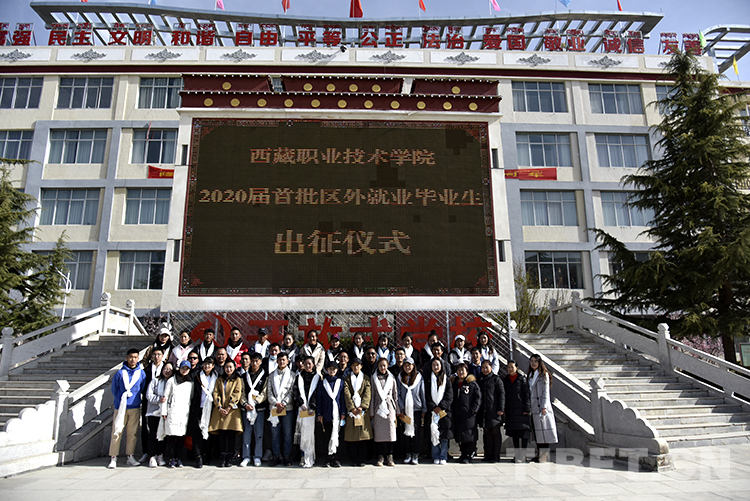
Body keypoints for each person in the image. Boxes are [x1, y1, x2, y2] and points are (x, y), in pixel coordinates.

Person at [108, 348, 147, 469]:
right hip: (120, 407)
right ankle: (113, 457)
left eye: (135, 357)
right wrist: (121, 400)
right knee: (117, 431)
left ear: (138, 358)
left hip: (134, 406)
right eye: (131, 357)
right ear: (126, 358)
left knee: (132, 433)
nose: (133, 359)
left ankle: (130, 456)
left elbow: (142, 388)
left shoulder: (141, 373)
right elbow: (114, 389)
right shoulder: (120, 373)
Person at [208, 359, 243, 467]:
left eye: (230, 367)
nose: (228, 369)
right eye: (227, 367)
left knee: (231, 434)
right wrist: (219, 406)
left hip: (232, 411)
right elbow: (216, 392)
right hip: (220, 410)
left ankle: (230, 457)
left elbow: (237, 393)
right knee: (222, 434)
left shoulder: (237, 380)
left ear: (234, 368)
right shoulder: (219, 380)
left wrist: (229, 407)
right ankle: (222, 456)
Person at [161, 360, 194, 468]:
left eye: (186, 369)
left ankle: (178, 458)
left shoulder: (190, 382)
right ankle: (171, 458)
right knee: (171, 436)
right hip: (172, 411)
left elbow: (191, 397)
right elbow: (166, 396)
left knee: (181, 437)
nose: (184, 371)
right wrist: (164, 411)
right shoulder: (172, 380)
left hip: (184, 412)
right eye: (183, 368)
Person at [187, 356, 216, 468]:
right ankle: (198, 456)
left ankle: (206, 455)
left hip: (211, 408)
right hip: (198, 408)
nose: (207, 366)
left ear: (213, 366)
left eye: (209, 364)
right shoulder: (197, 376)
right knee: (197, 434)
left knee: (209, 433)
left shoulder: (216, 377)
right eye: (205, 364)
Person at [343, 357, 372, 467]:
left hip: (362, 412)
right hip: (352, 412)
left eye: (358, 365)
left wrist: (362, 407)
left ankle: (362, 459)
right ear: (351, 367)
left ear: (361, 366)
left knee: (363, 436)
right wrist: (351, 407)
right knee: (352, 437)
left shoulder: (366, 378)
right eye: (354, 365)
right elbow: (346, 394)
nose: (356, 367)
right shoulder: (347, 379)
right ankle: (353, 459)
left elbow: (367, 393)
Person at [370, 357, 399, 467]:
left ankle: (390, 456)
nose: (382, 368)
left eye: (384, 365)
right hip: (378, 407)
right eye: (380, 365)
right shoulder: (374, 378)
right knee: (379, 433)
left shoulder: (391, 378)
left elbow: (395, 395)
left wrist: (397, 410)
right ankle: (380, 456)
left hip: (389, 407)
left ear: (387, 366)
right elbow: (372, 396)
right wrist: (371, 412)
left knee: (390, 432)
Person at [267, 351, 295, 466]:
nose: (282, 362)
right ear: (277, 361)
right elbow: (269, 392)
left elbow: (292, 392)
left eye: (284, 360)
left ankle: (287, 456)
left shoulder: (292, 375)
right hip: (274, 408)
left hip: (287, 408)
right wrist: (276, 403)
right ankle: (276, 456)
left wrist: (283, 403)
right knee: (275, 434)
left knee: (287, 434)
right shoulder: (271, 375)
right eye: (279, 360)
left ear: (287, 361)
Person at [528, 354, 557, 463]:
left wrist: (544, 406)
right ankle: (539, 453)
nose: (533, 363)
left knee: (544, 432)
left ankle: (544, 455)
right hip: (534, 407)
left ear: (539, 362)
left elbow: (546, 392)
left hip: (541, 407)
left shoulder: (544, 375)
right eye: (532, 361)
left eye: (535, 361)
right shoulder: (530, 375)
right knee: (538, 433)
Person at [240, 352, 267, 467]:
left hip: (259, 408)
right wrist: (245, 403)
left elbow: (265, 392)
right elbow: (241, 392)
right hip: (246, 409)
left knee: (258, 433)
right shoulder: (244, 376)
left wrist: (255, 402)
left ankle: (257, 456)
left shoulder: (265, 376)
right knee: (247, 433)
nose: (254, 363)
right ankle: (246, 456)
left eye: (257, 361)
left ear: (260, 362)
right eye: (253, 361)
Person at [396, 356, 425, 465]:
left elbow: (422, 393)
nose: (407, 367)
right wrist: (401, 408)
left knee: (416, 432)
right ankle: (408, 454)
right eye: (405, 365)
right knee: (406, 432)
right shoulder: (400, 378)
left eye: (409, 365)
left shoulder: (419, 378)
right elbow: (398, 394)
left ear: (413, 366)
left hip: (416, 409)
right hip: (405, 410)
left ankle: (415, 454)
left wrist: (424, 409)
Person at [316, 360, 345, 467]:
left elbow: (342, 399)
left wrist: (343, 412)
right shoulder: (322, 383)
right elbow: (319, 399)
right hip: (326, 412)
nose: (332, 371)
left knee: (336, 435)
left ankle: (336, 458)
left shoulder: (340, 382)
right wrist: (319, 413)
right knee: (327, 436)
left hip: (337, 413)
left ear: (337, 370)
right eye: (330, 369)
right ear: (327, 370)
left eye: (334, 369)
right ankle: (327, 458)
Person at [139, 345, 165, 463]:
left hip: (163, 402)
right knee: (148, 428)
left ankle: (160, 454)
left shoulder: (166, 368)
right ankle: (148, 453)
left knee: (162, 429)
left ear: (163, 356)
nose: (156, 357)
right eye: (154, 354)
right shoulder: (146, 370)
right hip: (149, 401)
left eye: (159, 354)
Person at [144, 361, 173, 468]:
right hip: (153, 412)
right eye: (165, 369)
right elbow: (149, 395)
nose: (167, 371)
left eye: (170, 369)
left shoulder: (172, 382)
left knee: (163, 436)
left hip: (166, 413)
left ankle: (160, 455)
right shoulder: (155, 381)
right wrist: (159, 399)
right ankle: (152, 456)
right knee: (153, 435)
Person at [452, 363, 482, 464]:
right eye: (459, 370)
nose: (460, 372)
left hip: (469, 415)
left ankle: (469, 454)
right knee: (460, 435)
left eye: (462, 370)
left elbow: (477, 397)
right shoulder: (454, 383)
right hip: (458, 414)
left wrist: (474, 410)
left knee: (469, 435)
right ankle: (463, 453)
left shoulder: (471, 384)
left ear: (467, 372)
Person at [425, 358, 452, 465]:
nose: (436, 367)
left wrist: (440, 407)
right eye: (434, 365)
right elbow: (426, 395)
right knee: (434, 433)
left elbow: (449, 396)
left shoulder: (447, 380)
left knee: (444, 435)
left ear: (441, 366)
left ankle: (443, 456)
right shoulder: (428, 380)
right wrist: (433, 407)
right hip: (432, 412)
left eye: (437, 365)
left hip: (444, 412)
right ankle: (435, 455)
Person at [294, 356, 320, 468]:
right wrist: (301, 403)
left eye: (310, 364)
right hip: (302, 409)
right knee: (301, 433)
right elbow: (295, 391)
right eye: (306, 364)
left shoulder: (317, 377)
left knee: (310, 434)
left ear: (313, 365)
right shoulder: (299, 377)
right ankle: (302, 456)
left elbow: (317, 392)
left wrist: (312, 406)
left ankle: (310, 456)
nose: (308, 366)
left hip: (312, 410)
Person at [503, 360, 531, 463]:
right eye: (508, 367)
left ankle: (523, 455)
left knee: (523, 434)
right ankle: (517, 455)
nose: (510, 369)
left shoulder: (522, 379)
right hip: (511, 411)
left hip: (521, 410)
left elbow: (526, 394)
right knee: (514, 434)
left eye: (512, 367)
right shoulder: (505, 380)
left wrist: (527, 408)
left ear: (517, 368)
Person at [477, 360, 505, 463]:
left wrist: (501, 409)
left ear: (491, 368)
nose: (484, 370)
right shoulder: (480, 380)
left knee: (495, 434)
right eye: (483, 368)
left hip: (494, 411)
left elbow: (501, 394)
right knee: (486, 434)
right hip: (484, 412)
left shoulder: (496, 379)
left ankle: (495, 455)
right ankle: (488, 454)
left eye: (486, 367)